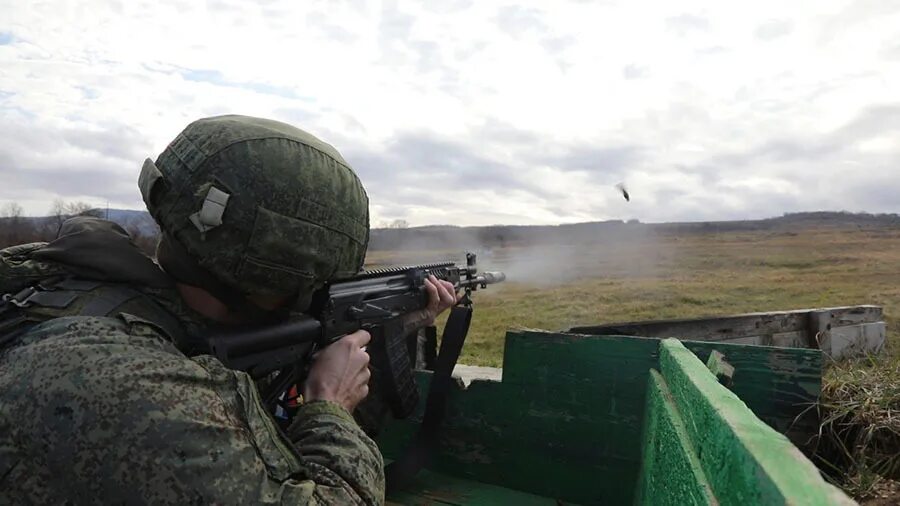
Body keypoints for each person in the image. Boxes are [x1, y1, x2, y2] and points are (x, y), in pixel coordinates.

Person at [0, 115, 457, 505]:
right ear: (282, 277)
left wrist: (394, 328)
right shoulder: (120, 381)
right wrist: (330, 404)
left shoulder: (102, 295)